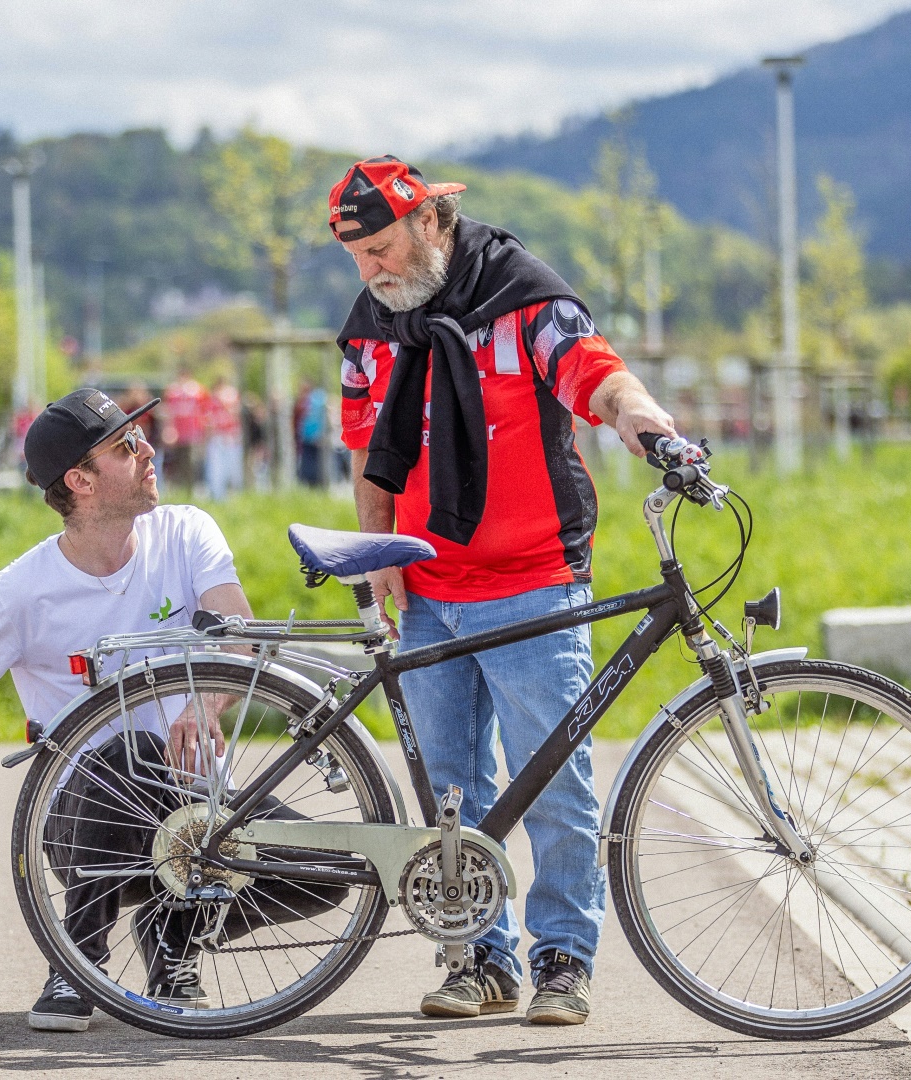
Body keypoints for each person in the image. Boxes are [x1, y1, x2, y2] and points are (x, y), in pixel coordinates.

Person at [0, 387, 334, 1034]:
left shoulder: (186, 533)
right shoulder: (20, 592)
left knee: (332, 868)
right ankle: (75, 960)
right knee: (125, 753)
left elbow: (237, 631)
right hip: (84, 821)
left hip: (197, 812)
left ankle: (175, 936)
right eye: (125, 446)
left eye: (141, 437)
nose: (148, 450)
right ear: (79, 480)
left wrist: (202, 699)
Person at [331, 156, 677, 1026]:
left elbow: (592, 371)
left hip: (531, 580)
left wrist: (644, 421)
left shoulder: (525, 297)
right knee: (449, 792)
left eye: (382, 249)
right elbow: (366, 445)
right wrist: (379, 551)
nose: (372, 271)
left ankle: (562, 962)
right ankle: (479, 962)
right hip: (428, 586)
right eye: (358, 257)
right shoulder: (371, 329)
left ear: (431, 225)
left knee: (554, 788)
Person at [201, 378, 244, 500]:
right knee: (216, 470)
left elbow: (235, 416)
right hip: (217, 437)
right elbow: (207, 420)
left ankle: (235, 494)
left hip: (231, 436)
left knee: (233, 470)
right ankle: (218, 496)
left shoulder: (231, 396)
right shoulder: (211, 401)